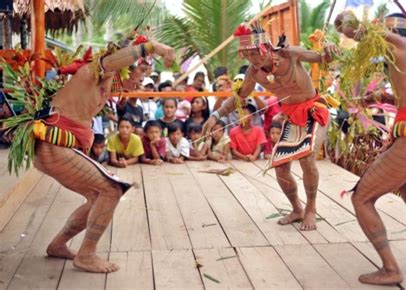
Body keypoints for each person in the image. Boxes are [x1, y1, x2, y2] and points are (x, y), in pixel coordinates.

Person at [20, 39, 175, 273]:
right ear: (127, 63)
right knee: (111, 190)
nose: (142, 79)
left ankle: (58, 245)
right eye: (141, 71)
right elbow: (110, 61)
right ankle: (86, 255)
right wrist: (152, 46)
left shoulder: (106, 82)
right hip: (54, 145)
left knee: (97, 197)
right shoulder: (95, 70)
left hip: (57, 146)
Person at [335, 11, 406, 285]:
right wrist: (382, 96)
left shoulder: (398, 44)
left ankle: (390, 269)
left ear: (393, 35)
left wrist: (341, 22)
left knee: (361, 198)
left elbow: (353, 27)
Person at [203, 21, 338, 231]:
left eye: (254, 54)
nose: (252, 60)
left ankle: (311, 208)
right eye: (247, 55)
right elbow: (239, 97)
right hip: (292, 117)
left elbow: (321, 58)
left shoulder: (290, 54)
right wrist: (215, 115)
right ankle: (297, 209)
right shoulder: (253, 73)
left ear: (265, 48)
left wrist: (329, 51)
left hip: (314, 110)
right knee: (281, 167)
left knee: (307, 157)